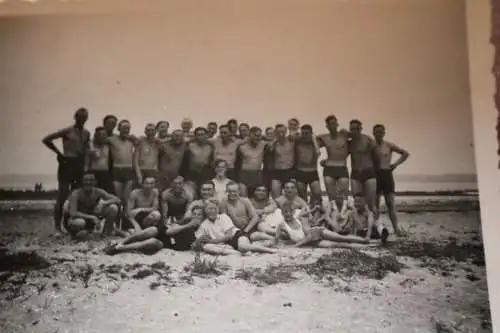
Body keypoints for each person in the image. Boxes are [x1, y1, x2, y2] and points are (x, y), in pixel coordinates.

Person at [42, 107, 91, 235]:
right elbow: (46, 139)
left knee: (76, 196)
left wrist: (86, 166)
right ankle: (57, 228)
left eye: (85, 117)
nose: (82, 119)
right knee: (62, 196)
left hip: (79, 165)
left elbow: (86, 150)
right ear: (75, 117)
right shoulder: (67, 131)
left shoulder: (86, 133)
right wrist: (58, 153)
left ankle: (70, 225)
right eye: (80, 116)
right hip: (67, 163)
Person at [104, 203, 204, 255]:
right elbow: (169, 231)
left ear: (203, 216)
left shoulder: (204, 227)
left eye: (199, 215)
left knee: (152, 242)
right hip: (165, 233)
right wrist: (188, 225)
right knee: (151, 230)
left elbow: (197, 245)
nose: (196, 217)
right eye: (194, 214)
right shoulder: (187, 222)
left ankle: (119, 248)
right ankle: (120, 243)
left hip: (168, 245)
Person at [274, 201, 378, 248]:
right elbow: (276, 240)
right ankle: (369, 246)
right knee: (338, 245)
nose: (287, 214)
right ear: (281, 213)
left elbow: (309, 235)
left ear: (293, 212)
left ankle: (365, 240)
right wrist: (281, 243)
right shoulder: (281, 225)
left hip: (318, 232)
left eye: (289, 211)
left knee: (341, 238)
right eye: (285, 212)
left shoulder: (301, 219)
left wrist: (296, 245)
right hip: (310, 242)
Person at [193, 200, 278, 255]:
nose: (212, 211)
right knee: (206, 247)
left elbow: (229, 235)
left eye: (214, 208)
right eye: (209, 209)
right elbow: (197, 243)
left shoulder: (223, 217)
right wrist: (199, 241)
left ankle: (271, 251)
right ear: (205, 210)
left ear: (217, 209)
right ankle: (240, 253)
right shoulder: (204, 225)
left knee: (243, 246)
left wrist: (213, 241)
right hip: (225, 245)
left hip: (237, 236)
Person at [373, 124, 410, 236]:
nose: (378, 134)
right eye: (376, 132)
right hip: (375, 174)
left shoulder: (388, 145)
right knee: (375, 204)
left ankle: (396, 229)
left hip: (386, 174)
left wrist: (395, 164)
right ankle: (376, 229)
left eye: (380, 132)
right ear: (373, 133)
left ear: (384, 133)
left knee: (390, 204)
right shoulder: (371, 145)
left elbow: (405, 153)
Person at [63, 173, 121, 238]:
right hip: (79, 219)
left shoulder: (98, 191)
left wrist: (104, 203)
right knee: (80, 223)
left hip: (92, 218)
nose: (88, 182)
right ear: (82, 181)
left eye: (91, 180)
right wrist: (92, 217)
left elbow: (117, 200)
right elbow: (73, 213)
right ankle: (75, 234)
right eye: (86, 180)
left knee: (113, 208)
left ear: (95, 182)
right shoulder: (76, 193)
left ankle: (106, 233)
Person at [317, 115, 350, 211]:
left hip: (342, 168)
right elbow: (312, 144)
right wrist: (323, 160)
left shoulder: (344, 135)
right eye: (330, 124)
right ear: (327, 126)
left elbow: (355, 140)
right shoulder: (324, 138)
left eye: (334, 123)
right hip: (329, 168)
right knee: (332, 199)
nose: (333, 125)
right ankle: (333, 218)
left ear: (337, 124)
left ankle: (343, 217)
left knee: (344, 197)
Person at [108, 120, 136, 223]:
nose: (126, 130)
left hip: (128, 170)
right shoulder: (112, 139)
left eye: (128, 128)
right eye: (124, 128)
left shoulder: (131, 141)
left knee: (127, 199)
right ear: (118, 129)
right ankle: (116, 222)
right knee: (118, 198)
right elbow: (98, 140)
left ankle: (125, 223)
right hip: (117, 169)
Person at [348, 119, 378, 215]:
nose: (354, 131)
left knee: (371, 204)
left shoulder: (367, 139)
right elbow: (340, 156)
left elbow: (377, 155)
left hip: (368, 172)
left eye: (356, 129)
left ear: (361, 129)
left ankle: (376, 227)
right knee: (358, 204)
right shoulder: (349, 143)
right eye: (352, 129)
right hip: (355, 173)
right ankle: (360, 227)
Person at [234, 126, 269, 197]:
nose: (258, 137)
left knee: (257, 198)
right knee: (244, 198)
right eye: (256, 135)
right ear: (250, 135)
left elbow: (274, 140)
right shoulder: (241, 146)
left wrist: (266, 137)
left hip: (257, 174)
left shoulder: (263, 144)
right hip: (244, 175)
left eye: (259, 136)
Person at [180, 127, 215, 194]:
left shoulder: (210, 146)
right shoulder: (189, 145)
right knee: (190, 193)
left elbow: (212, 160)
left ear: (206, 135)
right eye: (198, 134)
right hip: (191, 173)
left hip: (205, 173)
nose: (200, 136)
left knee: (205, 193)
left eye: (202, 134)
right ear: (195, 136)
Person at [266, 124, 296, 198]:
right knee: (275, 193)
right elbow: (269, 148)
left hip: (290, 171)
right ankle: (277, 209)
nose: (281, 134)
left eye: (283, 131)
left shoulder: (291, 141)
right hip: (277, 171)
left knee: (291, 196)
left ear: (286, 131)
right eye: (279, 132)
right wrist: (276, 138)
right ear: (275, 133)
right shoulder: (273, 143)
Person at [294, 124, 322, 204]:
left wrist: (313, 138)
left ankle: (313, 206)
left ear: (311, 133)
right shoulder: (298, 142)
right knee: (302, 196)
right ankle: (305, 210)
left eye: (307, 133)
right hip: (300, 172)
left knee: (317, 193)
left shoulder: (315, 143)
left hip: (312, 172)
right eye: (303, 133)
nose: (304, 135)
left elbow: (318, 152)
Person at [85, 126, 113, 193]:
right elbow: (91, 159)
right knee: (95, 193)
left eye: (104, 134)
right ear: (96, 135)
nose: (102, 136)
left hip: (106, 173)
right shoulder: (91, 146)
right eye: (100, 134)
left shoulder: (108, 146)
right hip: (94, 172)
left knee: (107, 193)